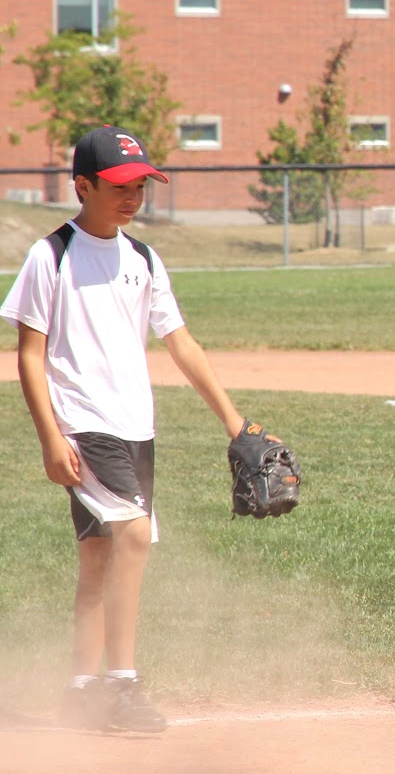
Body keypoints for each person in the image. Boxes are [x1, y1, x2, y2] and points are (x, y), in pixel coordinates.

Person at [2, 125, 259, 734]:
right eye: (117, 185)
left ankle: (81, 689)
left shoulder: (143, 259)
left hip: (134, 427)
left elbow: (181, 343)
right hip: (84, 425)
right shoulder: (52, 255)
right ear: (82, 185)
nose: (131, 197)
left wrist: (234, 419)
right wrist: (48, 437)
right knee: (135, 537)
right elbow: (29, 355)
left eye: (140, 185)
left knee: (97, 557)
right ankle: (120, 685)